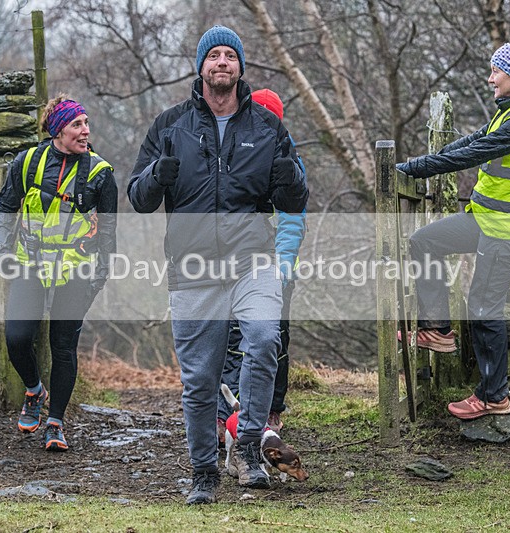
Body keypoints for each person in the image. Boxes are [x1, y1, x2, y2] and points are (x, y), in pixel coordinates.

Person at [127, 26, 308, 504]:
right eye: (214, 55)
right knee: (200, 379)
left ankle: (248, 447)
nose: (222, 62)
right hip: (192, 267)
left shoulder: (266, 128)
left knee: (264, 340)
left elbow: (293, 200)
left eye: (230, 55)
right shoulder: (170, 125)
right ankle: (204, 472)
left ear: (240, 68)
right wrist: (156, 175)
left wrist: (291, 180)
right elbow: (138, 198)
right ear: (201, 67)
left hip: (253, 261)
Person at [396, 40, 510, 420]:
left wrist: (415, 169)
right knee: (424, 241)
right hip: (487, 218)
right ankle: (437, 329)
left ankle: (494, 396)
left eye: (495, 72)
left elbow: (474, 154)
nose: (490, 79)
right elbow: (472, 141)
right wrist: (416, 162)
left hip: (509, 229)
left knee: (485, 307)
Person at [0, 95, 117, 452]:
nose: (86, 130)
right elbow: (7, 205)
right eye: (77, 124)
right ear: (58, 130)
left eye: (86, 123)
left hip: (75, 268)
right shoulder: (27, 162)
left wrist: (101, 274)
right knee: (17, 338)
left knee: (63, 347)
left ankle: (56, 423)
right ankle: (34, 391)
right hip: (30, 262)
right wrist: (1, 250)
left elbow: (108, 231)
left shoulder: (100, 173)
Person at [217, 88, 307, 439]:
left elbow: (292, 219)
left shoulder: (286, 158)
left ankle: (271, 409)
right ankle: (225, 414)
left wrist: (282, 267)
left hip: (274, 267)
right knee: (230, 340)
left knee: (275, 339)